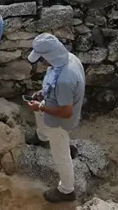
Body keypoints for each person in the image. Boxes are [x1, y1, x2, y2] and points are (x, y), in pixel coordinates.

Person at [25, 33, 86, 203]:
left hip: (59, 122)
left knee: (61, 155)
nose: (41, 62)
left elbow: (66, 112)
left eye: (42, 58)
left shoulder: (64, 80)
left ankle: (66, 190)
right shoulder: (69, 59)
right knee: (39, 108)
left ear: (49, 56)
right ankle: (42, 136)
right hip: (55, 104)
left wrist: (42, 106)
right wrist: (43, 94)